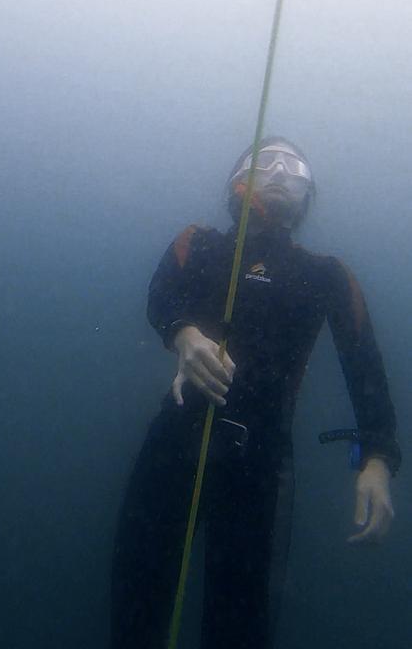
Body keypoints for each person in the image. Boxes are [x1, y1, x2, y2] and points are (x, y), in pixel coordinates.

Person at [110, 137, 400, 649]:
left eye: (295, 168)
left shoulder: (325, 274)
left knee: (241, 628)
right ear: (236, 181)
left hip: (261, 465)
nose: (283, 173)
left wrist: (376, 457)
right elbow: (161, 295)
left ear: (307, 195)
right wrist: (184, 334)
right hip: (176, 439)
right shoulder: (199, 244)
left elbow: (363, 361)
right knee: (137, 606)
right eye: (268, 163)